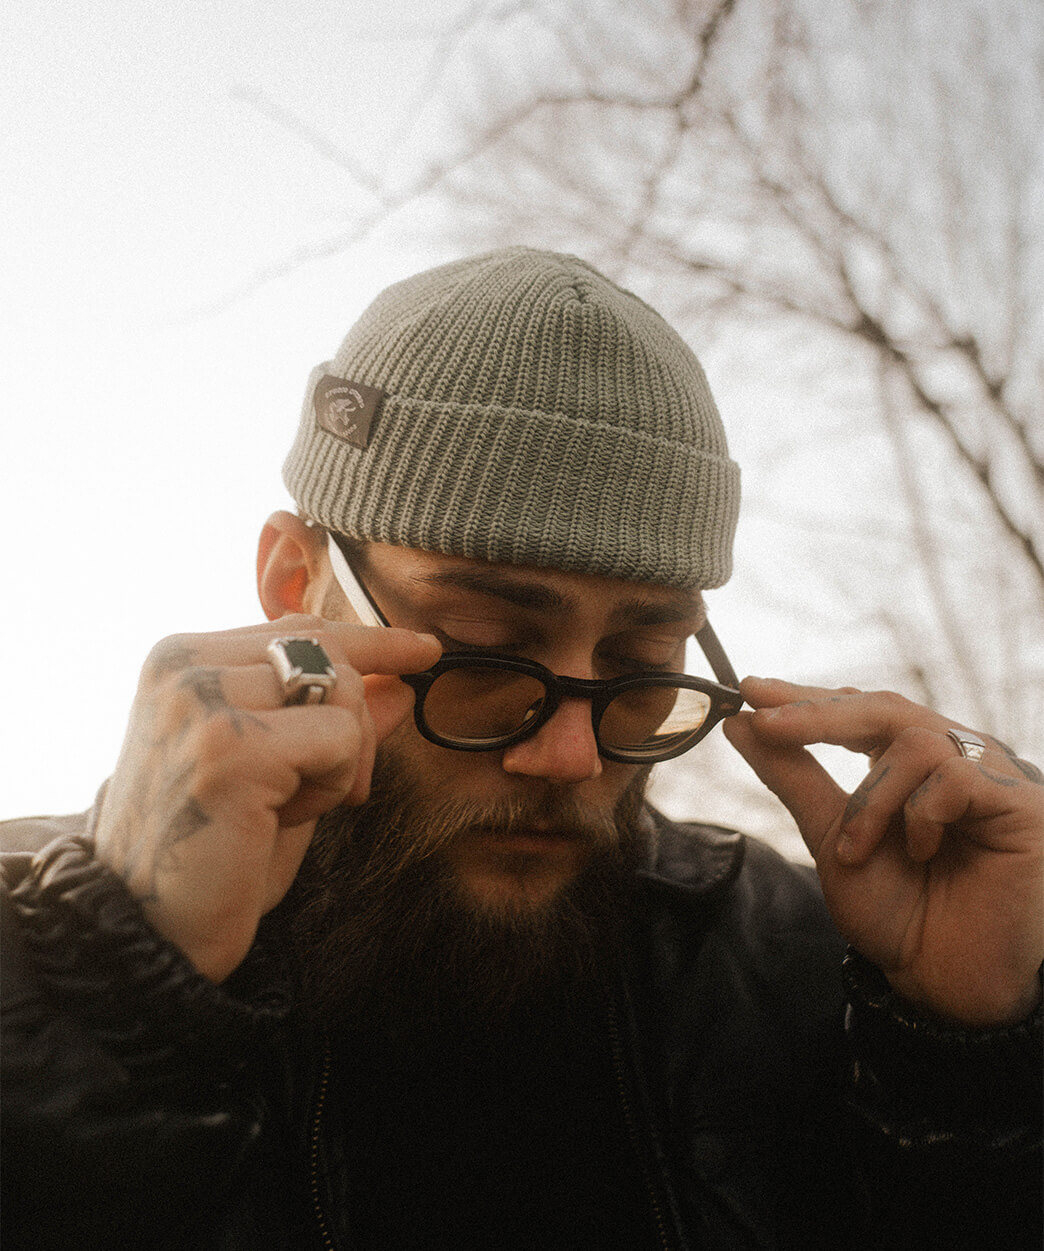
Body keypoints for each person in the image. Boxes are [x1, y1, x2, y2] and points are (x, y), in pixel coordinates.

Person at [1, 248, 1040, 1251]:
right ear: (292, 588)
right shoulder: (39, 961)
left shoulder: (803, 967)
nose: (572, 759)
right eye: (484, 653)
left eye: (640, 662)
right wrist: (119, 1000)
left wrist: (971, 1071)